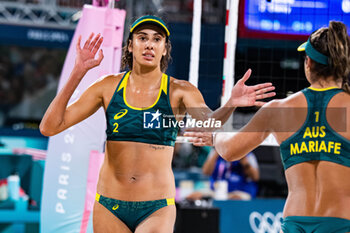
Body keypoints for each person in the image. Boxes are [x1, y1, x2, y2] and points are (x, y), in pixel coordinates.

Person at [39, 15, 275, 233]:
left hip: (156, 207)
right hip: (108, 205)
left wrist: (231, 103)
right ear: (130, 46)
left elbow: (210, 123)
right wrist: (78, 71)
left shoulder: (179, 90)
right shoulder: (107, 86)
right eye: (142, 38)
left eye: (157, 39)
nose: (149, 45)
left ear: (164, 50)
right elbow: (49, 127)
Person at [185, 21, 350, 233]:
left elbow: (229, 150)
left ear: (308, 62)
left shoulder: (277, 110)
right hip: (341, 223)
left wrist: (215, 137)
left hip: (294, 224)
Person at [187, 149, 259, 201]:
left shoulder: (248, 154)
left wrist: (245, 163)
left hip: (239, 191)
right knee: (194, 196)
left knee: (236, 198)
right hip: (216, 191)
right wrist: (217, 152)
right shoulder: (215, 152)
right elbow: (206, 172)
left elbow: (255, 177)